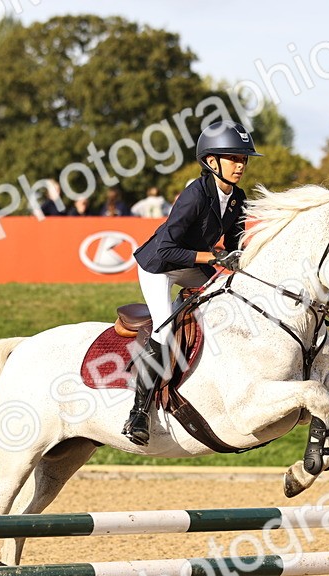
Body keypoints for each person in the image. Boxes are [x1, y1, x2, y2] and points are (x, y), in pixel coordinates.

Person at [122, 120, 262, 446]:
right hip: (160, 266)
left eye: (243, 159)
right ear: (212, 162)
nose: (240, 165)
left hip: (193, 263)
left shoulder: (238, 197)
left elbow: (235, 247)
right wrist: (213, 257)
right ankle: (138, 414)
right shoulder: (194, 195)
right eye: (233, 159)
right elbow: (167, 248)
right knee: (163, 326)